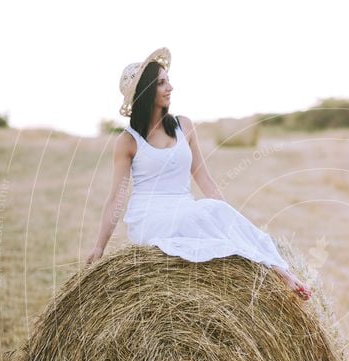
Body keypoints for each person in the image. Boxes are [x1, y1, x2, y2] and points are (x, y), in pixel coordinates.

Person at [86, 47, 312, 301]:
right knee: (200, 217)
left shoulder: (184, 126)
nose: (170, 87)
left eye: (168, 80)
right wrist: (99, 246)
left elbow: (203, 176)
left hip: (183, 208)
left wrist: (226, 214)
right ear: (146, 92)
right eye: (161, 83)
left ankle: (279, 270)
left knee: (215, 214)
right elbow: (116, 199)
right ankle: (276, 270)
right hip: (150, 217)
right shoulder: (128, 141)